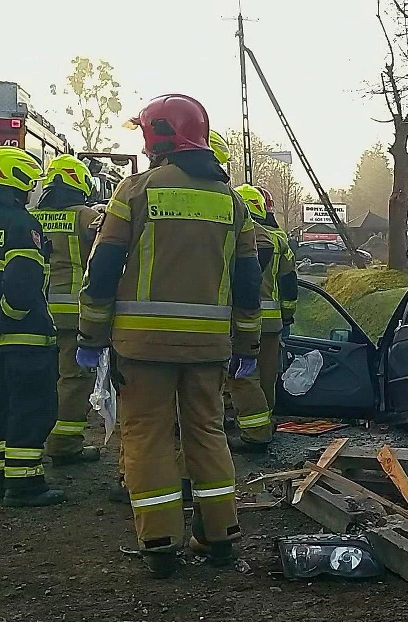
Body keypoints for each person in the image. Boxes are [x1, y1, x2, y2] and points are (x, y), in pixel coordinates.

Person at [78, 94, 262, 577]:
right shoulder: (233, 202)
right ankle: (220, 536)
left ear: (157, 136)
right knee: (207, 431)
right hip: (208, 348)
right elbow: (249, 283)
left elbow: (102, 269)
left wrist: (91, 336)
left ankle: (160, 543)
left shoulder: (134, 192)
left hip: (141, 346)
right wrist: (245, 345)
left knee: (147, 434)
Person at [0, 147, 64, 506]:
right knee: (32, 408)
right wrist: (7, 318)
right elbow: (22, 282)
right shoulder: (22, 223)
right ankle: (25, 485)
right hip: (25, 340)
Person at [32, 154, 103, 465]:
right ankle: (64, 443)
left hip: (37, 309)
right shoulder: (86, 217)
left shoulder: (32, 215)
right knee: (74, 379)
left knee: (43, 378)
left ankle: (35, 439)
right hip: (74, 311)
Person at [226, 184, 296, 453]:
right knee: (267, 376)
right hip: (273, 321)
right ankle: (265, 421)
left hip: (241, 319)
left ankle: (254, 431)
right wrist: (287, 315)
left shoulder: (237, 236)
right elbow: (290, 282)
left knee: (240, 375)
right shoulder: (279, 240)